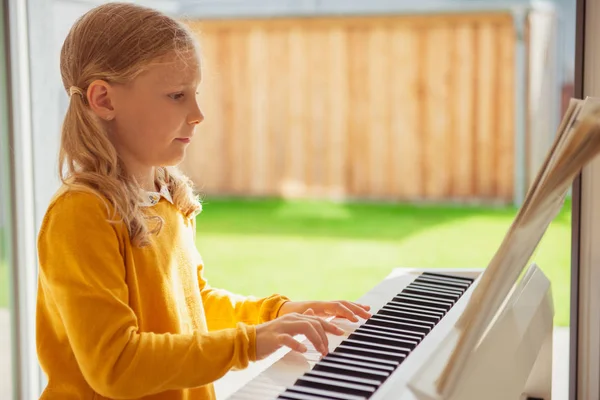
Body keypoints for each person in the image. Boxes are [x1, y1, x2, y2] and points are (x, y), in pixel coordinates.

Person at [35, 3, 372, 400]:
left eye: (194, 94)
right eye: (177, 95)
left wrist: (274, 315)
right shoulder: (81, 214)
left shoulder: (166, 200)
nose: (198, 114)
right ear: (104, 100)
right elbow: (116, 364)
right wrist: (247, 343)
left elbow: (192, 306)